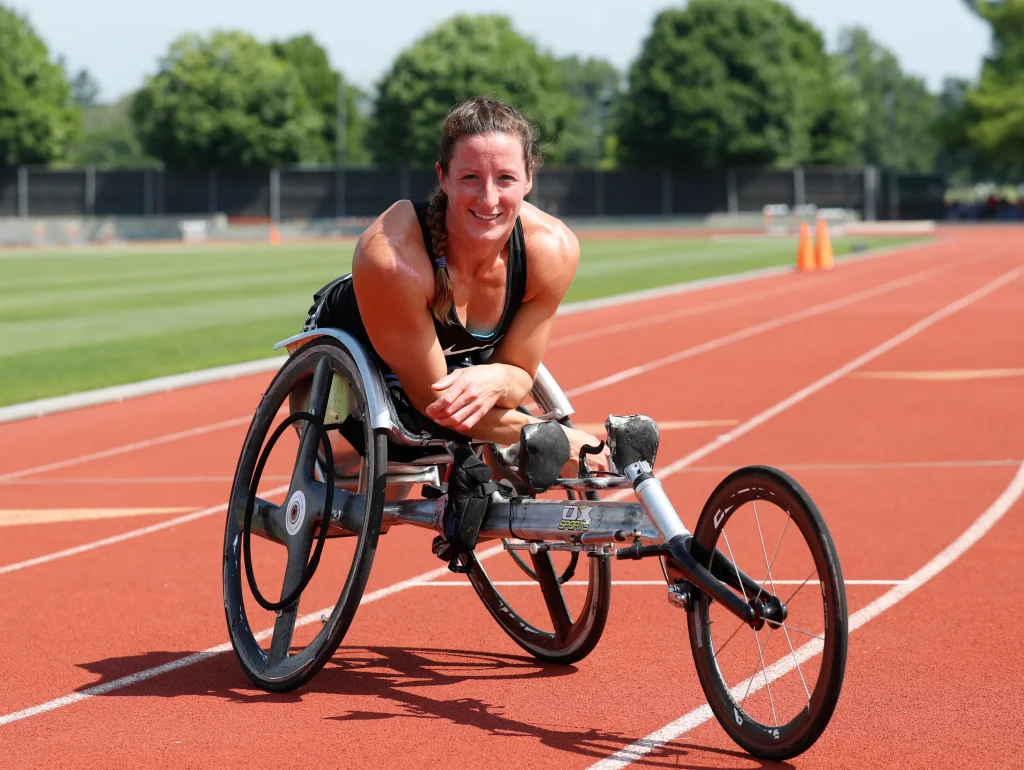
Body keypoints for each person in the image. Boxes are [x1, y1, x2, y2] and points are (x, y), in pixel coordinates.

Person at [304, 95, 610, 475]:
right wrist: (561, 437)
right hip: (351, 357)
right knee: (398, 471)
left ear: (529, 177)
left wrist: (497, 378)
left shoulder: (551, 251)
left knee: (504, 486)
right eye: (470, 178)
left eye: (506, 178)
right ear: (442, 177)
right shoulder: (393, 257)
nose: (489, 198)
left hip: (450, 362)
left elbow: (518, 375)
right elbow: (435, 405)